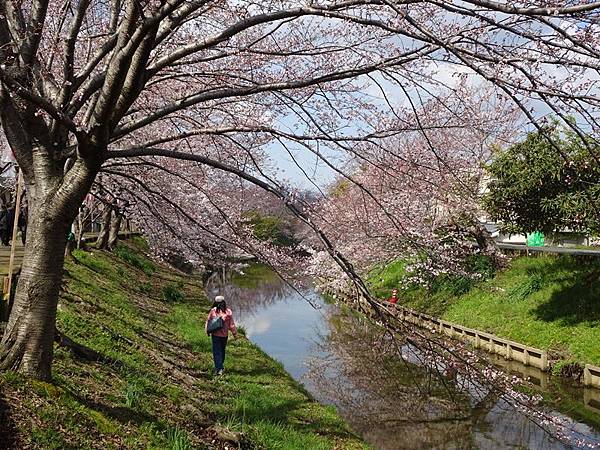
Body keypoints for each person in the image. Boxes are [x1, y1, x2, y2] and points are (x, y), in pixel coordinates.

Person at [205, 295, 237, 375]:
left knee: (216, 352)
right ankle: (220, 366)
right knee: (222, 351)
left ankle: (219, 368)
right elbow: (231, 325)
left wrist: (207, 331)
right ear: (224, 303)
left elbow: (208, 321)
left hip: (215, 335)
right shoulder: (228, 312)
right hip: (224, 336)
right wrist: (235, 334)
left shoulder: (213, 311)